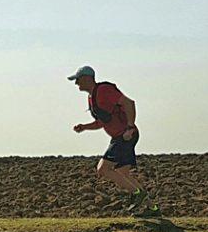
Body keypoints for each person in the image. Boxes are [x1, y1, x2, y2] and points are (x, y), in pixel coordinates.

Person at [69, 66, 160, 216]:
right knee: (123, 173)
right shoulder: (92, 97)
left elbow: (129, 103)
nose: (76, 83)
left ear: (86, 78)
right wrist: (84, 127)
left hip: (125, 135)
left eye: (77, 80)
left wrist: (130, 127)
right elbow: (102, 122)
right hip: (119, 136)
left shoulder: (104, 90)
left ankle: (137, 193)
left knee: (103, 169)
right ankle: (153, 208)